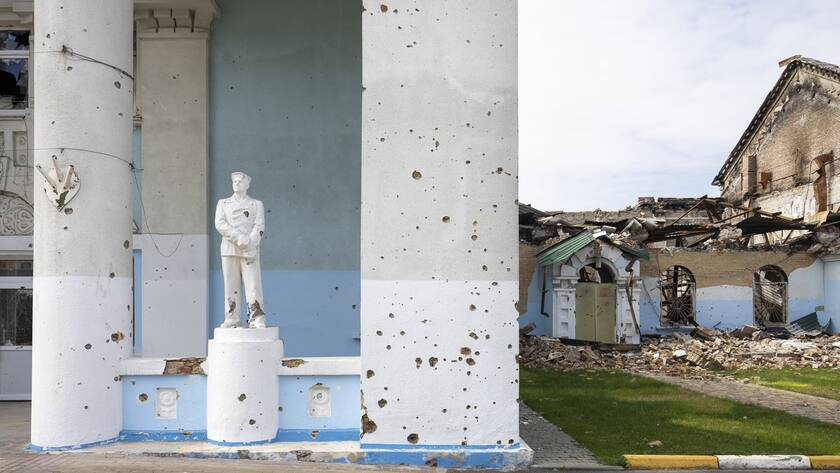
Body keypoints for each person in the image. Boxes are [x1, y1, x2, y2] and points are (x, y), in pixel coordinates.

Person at [214, 172, 266, 328]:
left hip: (250, 250)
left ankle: (256, 318)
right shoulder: (223, 203)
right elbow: (220, 224)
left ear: (247, 185)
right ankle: (232, 317)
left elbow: (259, 226)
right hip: (229, 249)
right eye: (234, 181)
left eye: (240, 181)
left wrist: (250, 242)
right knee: (231, 285)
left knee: (253, 285)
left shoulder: (256, 204)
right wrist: (239, 238)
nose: (236, 183)